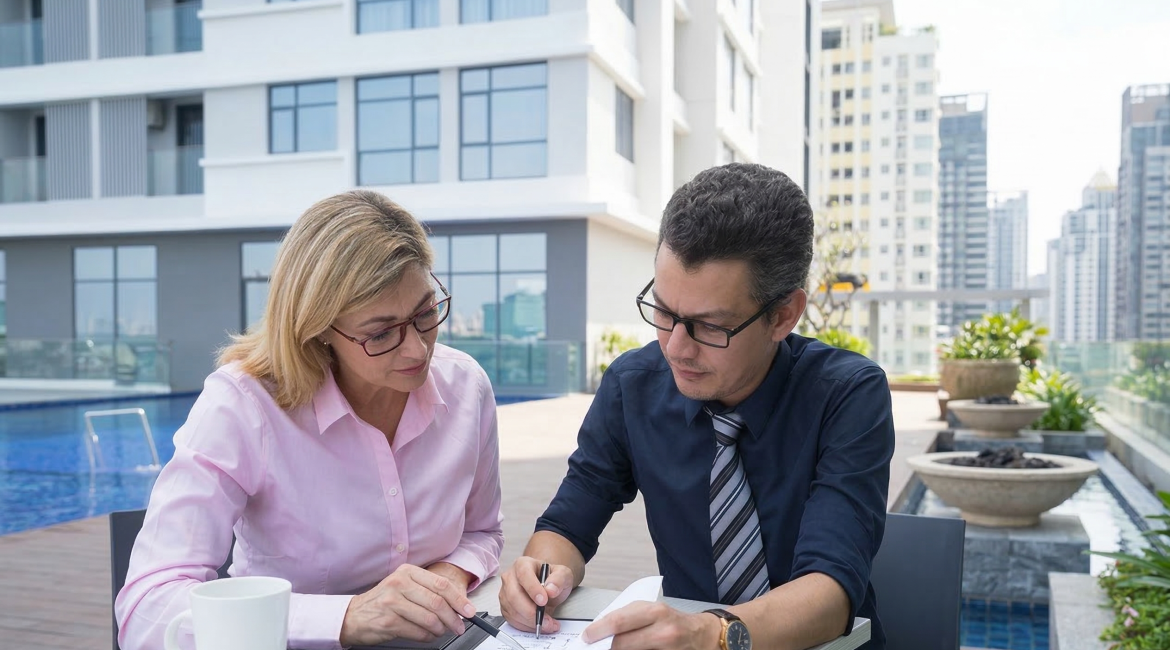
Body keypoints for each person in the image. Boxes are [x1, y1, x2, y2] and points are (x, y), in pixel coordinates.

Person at [498, 164, 894, 650]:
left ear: (783, 315)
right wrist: (540, 577)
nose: (676, 348)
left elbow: (830, 593)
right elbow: (567, 525)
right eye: (664, 312)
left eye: (710, 326)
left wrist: (714, 633)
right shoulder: (632, 386)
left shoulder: (847, 394)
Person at [115, 190, 504, 650]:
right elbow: (147, 608)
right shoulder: (244, 404)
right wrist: (347, 617)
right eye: (379, 333)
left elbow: (483, 532)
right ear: (317, 328)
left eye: (425, 314)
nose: (418, 349)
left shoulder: (466, 386)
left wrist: (446, 576)